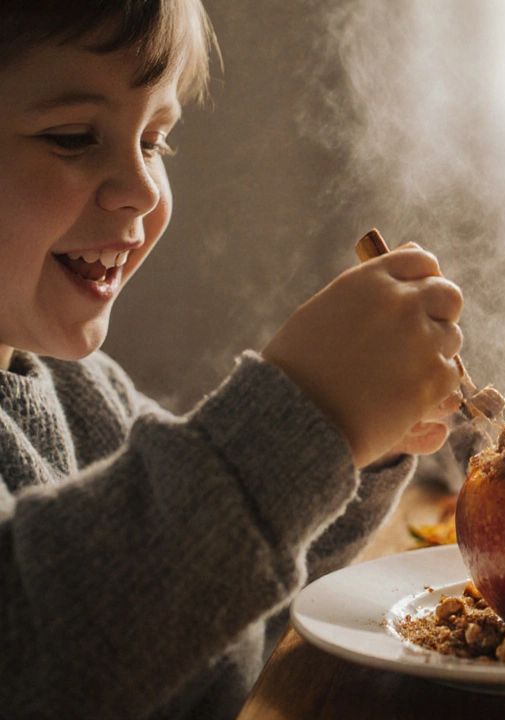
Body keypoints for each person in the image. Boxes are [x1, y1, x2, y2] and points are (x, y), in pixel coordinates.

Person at [0, 1, 465, 717]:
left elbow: (212, 610)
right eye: (72, 137)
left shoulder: (84, 392)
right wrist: (305, 410)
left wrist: (345, 454)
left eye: (155, 140)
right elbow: (33, 658)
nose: (142, 187)